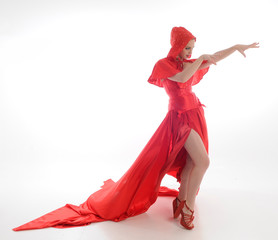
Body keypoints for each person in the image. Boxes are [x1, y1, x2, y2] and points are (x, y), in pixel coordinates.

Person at [13, 26, 259, 231]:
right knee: (203, 162)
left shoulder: (189, 63)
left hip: (196, 114)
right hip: (180, 119)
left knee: (193, 163)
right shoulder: (165, 65)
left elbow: (211, 57)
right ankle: (188, 207)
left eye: (192, 49)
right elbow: (183, 78)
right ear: (176, 46)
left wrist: (235, 47)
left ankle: (182, 199)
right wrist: (202, 58)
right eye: (187, 47)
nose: (190, 52)